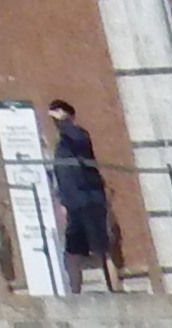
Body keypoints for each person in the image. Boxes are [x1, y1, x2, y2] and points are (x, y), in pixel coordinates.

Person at [46, 102, 120, 290]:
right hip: (73, 204)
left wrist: (65, 121)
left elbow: (78, 141)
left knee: (101, 249)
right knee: (72, 252)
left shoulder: (78, 135)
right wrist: (62, 201)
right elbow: (62, 175)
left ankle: (114, 288)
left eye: (59, 115)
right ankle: (75, 293)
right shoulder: (61, 145)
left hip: (89, 199)